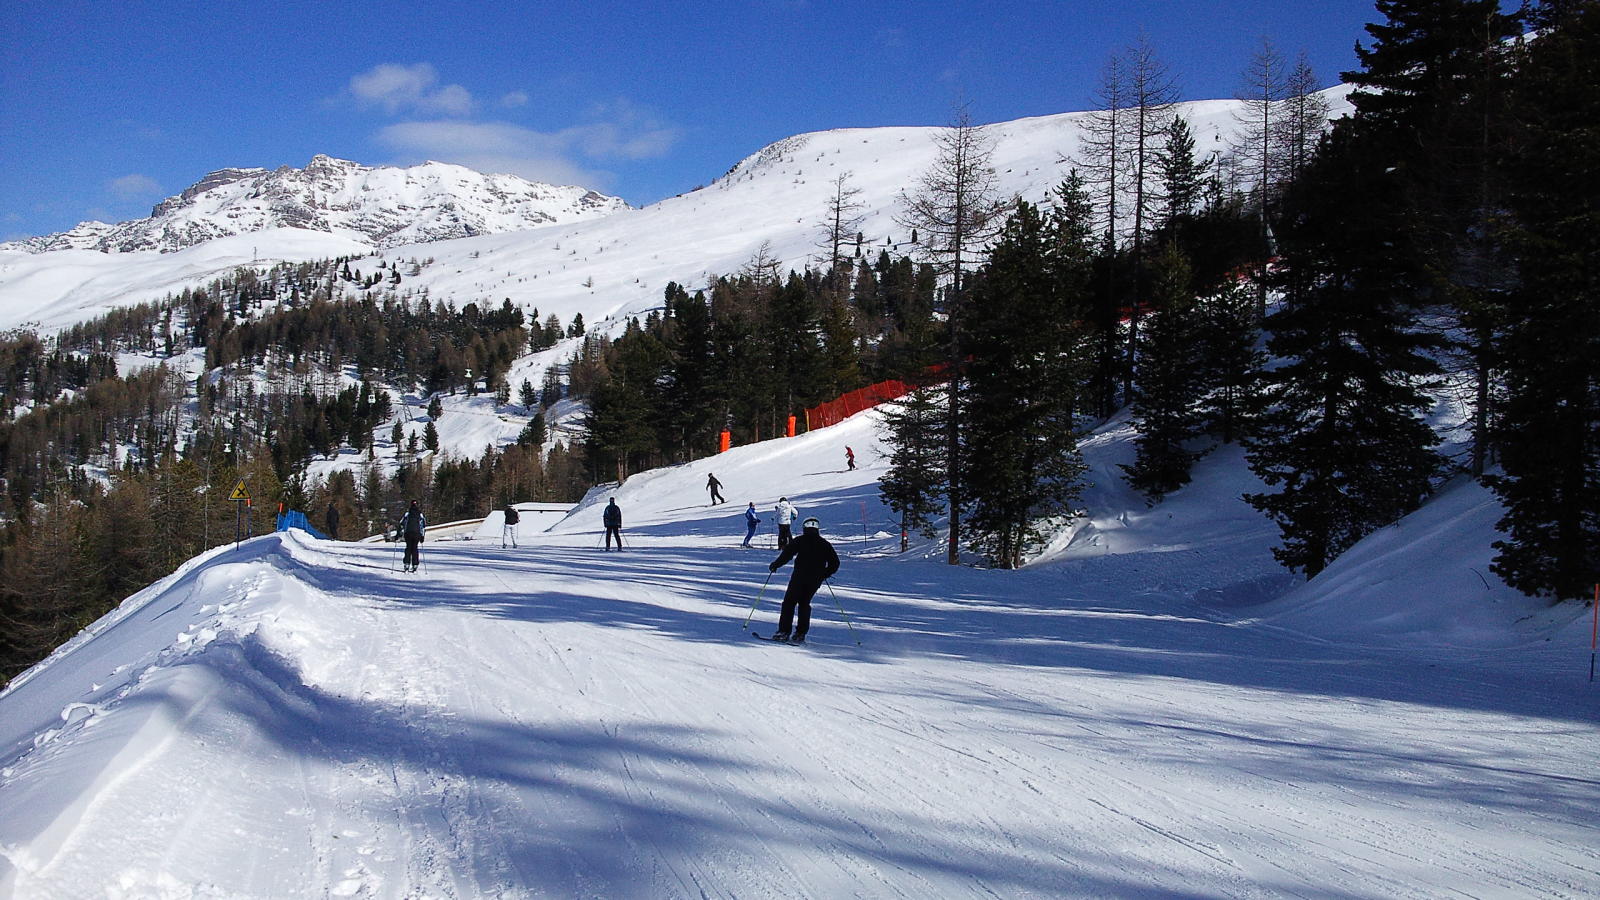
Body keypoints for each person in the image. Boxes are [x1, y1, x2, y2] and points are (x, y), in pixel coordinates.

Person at [767, 516, 839, 644]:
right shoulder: (824, 544)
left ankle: (784, 632)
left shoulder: (800, 540)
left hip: (799, 577)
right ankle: (800, 633)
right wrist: (824, 574)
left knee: (789, 602)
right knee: (804, 603)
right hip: (815, 579)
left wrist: (775, 565)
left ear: (804, 528)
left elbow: (787, 554)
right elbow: (835, 563)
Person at [399, 500, 426, 572]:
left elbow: (401, 523)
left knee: (408, 548)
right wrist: (422, 536)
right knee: (415, 548)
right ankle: (415, 564)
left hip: (408, 533)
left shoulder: (407, 513)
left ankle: (406, 564)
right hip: (417, 534)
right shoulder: (420, 514)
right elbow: (423, 525)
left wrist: (399, 534)